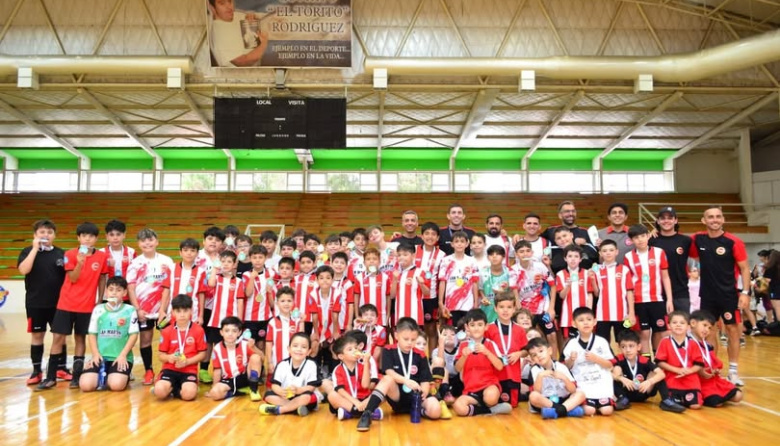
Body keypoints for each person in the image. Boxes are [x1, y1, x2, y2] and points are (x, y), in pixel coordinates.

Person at [37, 222, 110, 390]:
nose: (87, 239)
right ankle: (50, 377)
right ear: (78, 238)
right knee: (58, 338)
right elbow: (73, 278)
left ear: (96, 239)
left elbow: (102, 278)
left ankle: (76, 377)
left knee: (80, 338)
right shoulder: (70, 254)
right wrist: (80, 263)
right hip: (66, 304)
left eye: (91, 236)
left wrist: (99, 300)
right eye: (84, 236)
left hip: (87, 306)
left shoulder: (101, 257)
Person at [688, 206, 751, 387]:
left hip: (729, 294)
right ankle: (712, 367)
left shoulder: (733, 242)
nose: (714, 220)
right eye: (710, 217)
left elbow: (745, 268)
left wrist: (745, 292)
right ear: (704, 220)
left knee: (733, 330)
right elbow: (680, 245)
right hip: (707, 294)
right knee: (708, 331)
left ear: (723, 219)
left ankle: (733, 371)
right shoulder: (697, 239)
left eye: (718, 217)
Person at [353, 318, 442, 432]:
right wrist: (406, 381)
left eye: (413, 339)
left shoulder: (420, 355)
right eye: (406, 339)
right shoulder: (389, 350)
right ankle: (367, 414)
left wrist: (424, 392)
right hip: (397, 395)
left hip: (416, 397)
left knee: (436, 411)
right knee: (387, 379)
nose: (410, 342)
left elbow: (425, 379)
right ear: (396, 335)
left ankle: (418, 410)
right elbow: (389, 372)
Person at [18, 219, 68, 385]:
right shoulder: (26, 252)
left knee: (60, 337)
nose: (45, 235)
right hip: (35, 303)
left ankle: (61, 368)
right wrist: (34, 249)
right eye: (42, 232)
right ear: (35, 235)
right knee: (37, 336)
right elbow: (24, 270)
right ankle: (36, 371)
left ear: (54, 235)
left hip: (58, 304)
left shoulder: (61, 254)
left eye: (49, 232)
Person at [127, 228, 176, 386]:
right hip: (144, 312)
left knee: (169, 339)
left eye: (150, 240)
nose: (147, 243)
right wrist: (137, 309)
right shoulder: (135, 263)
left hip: (163, 311)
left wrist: (163, 309)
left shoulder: (167, 261)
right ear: (139, 244)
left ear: (157, 241)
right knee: (145, 340)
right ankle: (149, 370)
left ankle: (166, 370)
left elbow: (169, 286)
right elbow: (131, 288)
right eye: (143, 240)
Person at [80, 276, 138, 392]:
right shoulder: (98, 310)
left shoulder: (130, 310)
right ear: (106, 291)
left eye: (118, 290)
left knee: (116, 386)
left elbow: (133, 335)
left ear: (125, 292)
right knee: (86, 386)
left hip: (120, 357)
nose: (114, 293)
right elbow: (92, 334)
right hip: (101, 357)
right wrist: (95, 354)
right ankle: (104, 374)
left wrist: (122, 356)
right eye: (111, 289)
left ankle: (119, 375)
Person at [452, 309, 512, 416]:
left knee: (491, 397)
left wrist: (487, 353)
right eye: (472, 325)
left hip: (489, 385)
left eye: (480, 325)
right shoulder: (462, 346)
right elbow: (457, 368)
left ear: (486, 326)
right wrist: (464, 357)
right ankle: (490, 410)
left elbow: (500, 367)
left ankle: (485, 406)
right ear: (467, 327)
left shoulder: (490, 344)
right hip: (470, 390)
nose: (476, 328)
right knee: (458, 407)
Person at [624, 224, 673, 355]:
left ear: (647, 236)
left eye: (642, 236)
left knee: (660, 331)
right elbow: (627, 283)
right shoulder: (628, 257)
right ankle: (646, 365)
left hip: (657, 299)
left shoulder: (659, 252)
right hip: (638, 301)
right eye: (636, 238)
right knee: (643, 333)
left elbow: (665, 277)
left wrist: (669, 300)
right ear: (631, 240)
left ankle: (657, 363)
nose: (640, 240)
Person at [611, 330, 686, 413]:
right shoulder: (618, 359)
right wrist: (621, 378)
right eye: (623, 347)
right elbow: (606, 373)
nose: (628, 350)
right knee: (615, 369)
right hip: (625, 393)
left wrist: (649, 382)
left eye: (631, 346)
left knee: (657, 373)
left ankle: (666, 400)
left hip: (642, 391)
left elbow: (661, 374)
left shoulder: (644, 360)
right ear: (619, 347)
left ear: (639, 347)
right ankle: (622, 399)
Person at [153, 294, 207, 401]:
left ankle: (179, 389)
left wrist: (187, 362)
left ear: (191, 311)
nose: (182, 315)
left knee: (189, 395)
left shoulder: (198, 330)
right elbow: (161, 356)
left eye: (185, 311)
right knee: (159, 392)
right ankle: (171, 387)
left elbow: (202, 354)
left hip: (189, 369)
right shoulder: (167, 331)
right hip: (170, 369)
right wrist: (169, 358)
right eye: (178, 311)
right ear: (173, 312)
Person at [562, 307, 615, 416]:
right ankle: (574, 406)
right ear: (574, 323)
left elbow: (610, 365)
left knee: (607, 411)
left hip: (601, 383)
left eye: (589, 319)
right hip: (583, 384)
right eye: (581, 320)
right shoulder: (571, 344)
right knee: (589, 410)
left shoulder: (602, 342)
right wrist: (571, 360)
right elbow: (565, 367)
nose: (585, 323)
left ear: (594, 322)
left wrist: (597, 359)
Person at [259, 331, 322, 416]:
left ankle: (280, 410)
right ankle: (295, 409)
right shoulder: (282, 364)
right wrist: (280, 391)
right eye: (295, 346)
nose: (299, 349)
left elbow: (311, 387)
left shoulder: (312, 365)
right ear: (289, 349)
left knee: (308, 397)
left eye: (303, 347)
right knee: (268, 395)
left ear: (308, 351)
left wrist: (298, 390)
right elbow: (274, 385)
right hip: (285, 397)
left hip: (302, 395)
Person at [689, 310, 743, 407]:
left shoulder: (706, 344)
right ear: (693, 323)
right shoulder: (686, 343)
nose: (706, 330)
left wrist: (715, 369)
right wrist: (699, 371)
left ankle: (712, 395)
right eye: (704, 325)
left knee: (738, 396)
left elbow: (712, 360)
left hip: (710, 380)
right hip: (696, 380)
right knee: (717, 402)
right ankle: (699, 396)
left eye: (709, 328)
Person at [512, 240, 557, 356]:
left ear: (532, 253)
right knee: (528, 336)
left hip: (542, 307)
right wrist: (519, 310)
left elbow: (553, 286)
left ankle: (554, 362)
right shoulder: (513, 270)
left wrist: (551, 309)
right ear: (516, 254)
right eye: (521, 252)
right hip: (526, 309)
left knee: (552, 335)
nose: (525, 254)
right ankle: (530, 363)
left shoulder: (540, 266)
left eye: (527, 251)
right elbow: (514, 291)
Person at [485, 292, 528, 407]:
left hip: (513, 375)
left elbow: (526, 351)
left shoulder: (520, 330)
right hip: (494, 375)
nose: (505, 310)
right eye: (501, 307)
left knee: (512, 405)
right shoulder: (489, 328)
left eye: (509, 307)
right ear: (495, 308)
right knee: (493, 402)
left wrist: (519, 353)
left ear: (514, 309)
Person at [327, 335, 383, 421]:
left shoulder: (362, 366)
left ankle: (350, 413)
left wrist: (366, 362)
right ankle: (368, 412)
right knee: (332, 395)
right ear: (341, 356)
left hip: (363, 399)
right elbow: (340, 390)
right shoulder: (337, 370)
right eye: (350, 349)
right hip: (348, 400)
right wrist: (355, 402)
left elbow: (365, 385)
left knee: (382, 390)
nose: (355, 351)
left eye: (356, 348)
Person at [206, 316, 263, 401]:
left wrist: (253, 347)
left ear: (239, 332)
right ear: (221, 332)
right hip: (229, 380)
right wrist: (214, 387)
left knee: (255, 357)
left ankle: (253, 389)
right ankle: (239, 391)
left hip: (245, 377)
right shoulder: (217, 349)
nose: (230, 334)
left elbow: (262, 358)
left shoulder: (245, 344)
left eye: (234, 331)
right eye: (227, 331)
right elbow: (217, 370)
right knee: (215, 394)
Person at [527, 337, 586, 419]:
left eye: (541, 351)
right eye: (534, 355)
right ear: (532, 359)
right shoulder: (534, 370)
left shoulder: (561, 367)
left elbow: (573, 390)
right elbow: (537, 392)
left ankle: (555, 412)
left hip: (563, 400)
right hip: (547, 402)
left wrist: (564, 378)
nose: (539, 356)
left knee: (580, 394)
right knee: (533, 396)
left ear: (550, 351)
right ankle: (566, 411)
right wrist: (540, 377)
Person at [654, 311, 703, 409]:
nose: (678, 325)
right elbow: (660, 362)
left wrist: (689, 371)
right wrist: (677, 370)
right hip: (672, 379)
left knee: (695, 406)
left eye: (682, 323)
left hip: (690, 380)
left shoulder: (693, 343)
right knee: (673, 404)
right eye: (674, 322)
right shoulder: (665, 342)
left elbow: (699, 364)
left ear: (688, 327)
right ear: (669, 325)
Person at [196, 226, 226, 383]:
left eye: (217, 240)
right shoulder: (196, 256)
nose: (213, 242)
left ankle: (219, 369)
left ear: (221, 243)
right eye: (210, 238)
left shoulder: (224, 258)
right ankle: (202, 369)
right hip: (200, 305)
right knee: (205, 339)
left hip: (219, 305)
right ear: (204, 240)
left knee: (219, 339)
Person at [649, 207, 693, 312]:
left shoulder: (686, 240)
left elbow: (696, 258)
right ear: (658, 221)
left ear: (676, 220)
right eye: (663, 218)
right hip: (657, 292)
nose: (666, 221)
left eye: (670, 218)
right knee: (661, 327)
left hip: (681, 292)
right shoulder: (651, 241)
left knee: (682, 326)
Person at [205, 250, 246, 363]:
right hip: (216, 320)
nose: (226, 264)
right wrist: (215, 268)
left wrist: (240, 321)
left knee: (229, 346)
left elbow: (240, 302)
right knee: (214, 346)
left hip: (231, 322)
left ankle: (228, 369)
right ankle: (211, 368)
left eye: (229, 261)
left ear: (234, 264)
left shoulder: (238, 282)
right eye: (223, 261)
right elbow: (211, 284)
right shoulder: (217, 278)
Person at [594, 239, 635, 344]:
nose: (608, 253)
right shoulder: (596, 271)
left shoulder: (624, 269)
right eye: (605, 250)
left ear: (617, 252)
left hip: (622, 314)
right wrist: (591, 279)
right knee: (602, 343)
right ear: (600, 253)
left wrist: (631, 313)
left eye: (611, 250)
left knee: (624, 342)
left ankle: (623, 361)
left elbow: (629, 292)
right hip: (602, 315)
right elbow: (596, 293)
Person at [555, 245, 597, 339]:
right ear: (565, 258)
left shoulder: (587, 273)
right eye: (570, 256)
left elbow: (590, 294)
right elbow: (561, 296)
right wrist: (567, 286)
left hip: (584, 314)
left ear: (580, 259)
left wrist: (588, 312)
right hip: (568, 315)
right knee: (570, 341)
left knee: (586, 339)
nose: (573, 259)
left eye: (576, 256)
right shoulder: (560, 274)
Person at [438, 231, 479, 327]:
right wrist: (440, 302)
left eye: (462, 241)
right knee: (453, 331)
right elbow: (442, 282)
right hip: (451, 304)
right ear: (452, 244)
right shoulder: (446, 260)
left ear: (467, 243)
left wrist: (476, 302)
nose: (459, 244)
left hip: (468, 304)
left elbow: (474, 283)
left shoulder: (472, 261)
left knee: (467, 331)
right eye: (456, 241)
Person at [242, 245, 276, 359]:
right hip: (249, 317)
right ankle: (250, 370)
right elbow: (248, 293)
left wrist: (269, 291)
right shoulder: (246, 275)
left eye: (260, 257)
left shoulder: (271, 274)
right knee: (249, 344)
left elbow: (272, 299)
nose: (257, 260)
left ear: (265, 258)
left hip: (265, 317)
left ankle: (261, 371)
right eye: (254, 257)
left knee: (261, 344)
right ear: (250, 258)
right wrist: (252, 278)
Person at [416, 222, 445, 350]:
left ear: (438, 238)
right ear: (421, 236)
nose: (430, 236)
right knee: (414, 329)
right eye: (426, 233)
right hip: (413, 297)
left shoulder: (442, 255)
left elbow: (442, 279)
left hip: (431, 298)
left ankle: (432, 360)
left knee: (431, 329)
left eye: (433, 234)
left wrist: (440, 302)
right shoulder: (413, 250)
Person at [162, 238, 204, 324]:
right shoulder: (171, 268)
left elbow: (201, 295)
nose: (189, 253)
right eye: (185, 250)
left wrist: (201, 316)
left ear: (197, 253)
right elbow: (166, 291)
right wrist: (162, 310)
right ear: (180, 252)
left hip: (193, 314)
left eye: (192, 250)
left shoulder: (201, 272)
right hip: (173, 313)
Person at [309, 265, 342, 373]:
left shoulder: (337, 293)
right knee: (314, 347)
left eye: (328, 278)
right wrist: (316, 334)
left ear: (332, 280)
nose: (325, 281)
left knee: (335, 348)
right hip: (318, 326)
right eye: (321, 278)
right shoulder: (313, 294)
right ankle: (314, 374)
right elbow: (314, 316)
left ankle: (334, 374)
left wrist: (335, 332)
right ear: (317, 280)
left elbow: (335, 314)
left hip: (333, 325)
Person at [265, 287, 301, 378]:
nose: (286, 304)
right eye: (283, 301)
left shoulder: (297, 321)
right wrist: (269, 362)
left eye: (289, 301)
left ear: (293, 302)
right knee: (274, 389)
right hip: (277, 363)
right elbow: (268, 344)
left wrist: (302, 322)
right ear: (277, 303)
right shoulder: (272, 323)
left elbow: (302, 341)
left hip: (295, 364)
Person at [391, 243, 429, 326]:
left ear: (413, 256)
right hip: (400, 315)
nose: (402, 257)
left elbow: (427, 293)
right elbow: (392, 296)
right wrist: (394, 280)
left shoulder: (420, 272)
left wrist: (422, 284)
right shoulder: (395, 273)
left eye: (405, 255)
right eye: (399, 255)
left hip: (415, 315)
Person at [353, 248, 391, 328]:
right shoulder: (359, 278)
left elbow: (388, 297)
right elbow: (356, 297)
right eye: (368, 259)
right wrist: (357, 315)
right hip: (363, 318)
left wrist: (387, 316)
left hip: (381, 318)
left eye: (374, 259)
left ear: (379, 262)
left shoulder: (385, 278)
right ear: (364, 262)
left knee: (381, 339)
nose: (371, 261)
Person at [478, 245, 516, 323]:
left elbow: (514, 291)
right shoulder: (483, 272)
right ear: (488, 257)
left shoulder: (510, 272)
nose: (494, 257)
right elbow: (480, 289)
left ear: (503, 257)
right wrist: (484, 298)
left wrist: (503, 292)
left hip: (505, 309)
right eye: (491, 255)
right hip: (487, 308)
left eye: (497, 254)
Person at [432, 325, 462, 401]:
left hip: (457, 380)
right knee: (443, 369)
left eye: (452, 334)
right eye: (445, 334)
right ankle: (444, 392)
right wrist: (441, 344)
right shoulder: (436, 351)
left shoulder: (461, 350)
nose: (449, 336)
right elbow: (440, 365)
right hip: (442, 381)